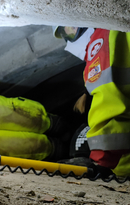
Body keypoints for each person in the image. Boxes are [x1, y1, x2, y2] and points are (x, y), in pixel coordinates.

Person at [54, 26, 130, 176]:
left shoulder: (103, 37)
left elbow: (109, 100)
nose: (69, 39)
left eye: (72, 29)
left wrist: (101, 161)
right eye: (66, 33)